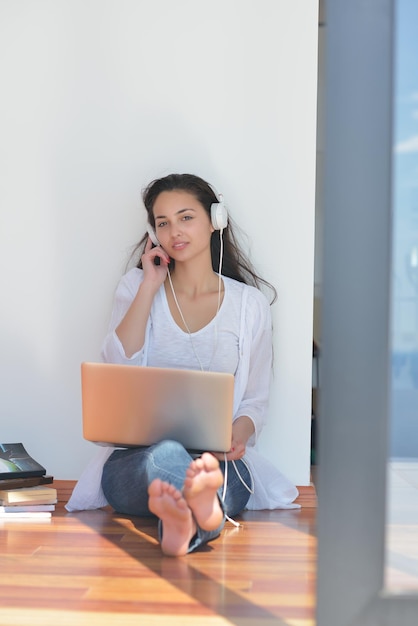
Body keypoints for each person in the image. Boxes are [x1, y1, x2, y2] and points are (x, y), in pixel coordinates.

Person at [66, 173, 300, 556]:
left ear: (215, 220)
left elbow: (254, 403)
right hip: (137, 461)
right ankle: (203, 515)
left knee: (218, 475)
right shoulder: (136, 287)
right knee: (167, 457)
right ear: (153, 232)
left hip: (216, 461)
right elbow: (116, 364)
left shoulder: (249, 305)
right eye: (163, 222)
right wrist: (150, 285)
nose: (174, 231)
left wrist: (236, 436)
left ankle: (184, 526)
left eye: (186, 217)